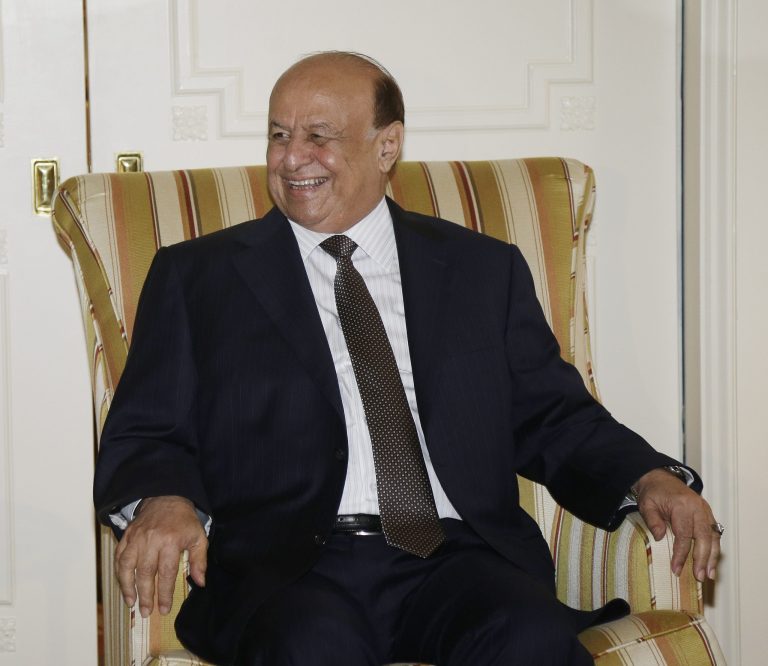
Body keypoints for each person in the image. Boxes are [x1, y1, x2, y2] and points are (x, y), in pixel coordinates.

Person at [94, 51, 721, 666]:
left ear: (387, 145)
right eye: (279, 135)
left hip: (456, 558)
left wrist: (648, 477)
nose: (291, 158)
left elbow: (553, 415)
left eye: (319, 136)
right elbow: (148, 428)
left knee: (528, 639)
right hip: (290, 570)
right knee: (311, 648)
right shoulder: (197, 276)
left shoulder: (482, 269)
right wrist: (163, 498)